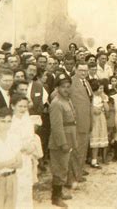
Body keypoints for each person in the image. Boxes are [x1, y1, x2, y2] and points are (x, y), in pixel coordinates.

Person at [49, 74, 77, 208]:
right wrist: (63, 143)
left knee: (64, 166)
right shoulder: (56, 103)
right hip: (60, 141)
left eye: (68, 86)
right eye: (63, 87)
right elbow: (56, 126)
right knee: (59, 168)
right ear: (57, 88)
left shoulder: (67, 100)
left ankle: (60, 193)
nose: (66, 89)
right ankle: (56, 197)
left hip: (69, 136)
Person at [10, 94, 42, 209]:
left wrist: (33, 146)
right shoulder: (10, 122)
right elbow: (10, 140)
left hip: (28, 157)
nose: (23, 109)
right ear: (13, 106)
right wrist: (22, 147)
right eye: (20, 106)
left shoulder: (28, 120)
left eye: (25, 107)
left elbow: (32, 137)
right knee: (17, 185)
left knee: (27, 185)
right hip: (16, 157)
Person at [69, 62, 92, 178]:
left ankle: (80, 169)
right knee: (77, 148)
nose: (83, 73)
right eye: (81, 70)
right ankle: (75, 174)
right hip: (77, 121)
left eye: (85, 70)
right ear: (75, 70)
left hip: (86, 119)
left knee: (83, 147)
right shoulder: (71, 82)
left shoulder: (86, 82)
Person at [90, 80, 109, 168]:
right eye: (100, 88)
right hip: (93, 119)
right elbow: (89, 107)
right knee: (94, 138)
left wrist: (104, 100)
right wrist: (93, 109)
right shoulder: (91, 97)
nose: (102, 90)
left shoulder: (103, 97)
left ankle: (96, 160)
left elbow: (107, 109)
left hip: (101, 119)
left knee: (100, 138)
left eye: (103, 88)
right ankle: (93, 160)